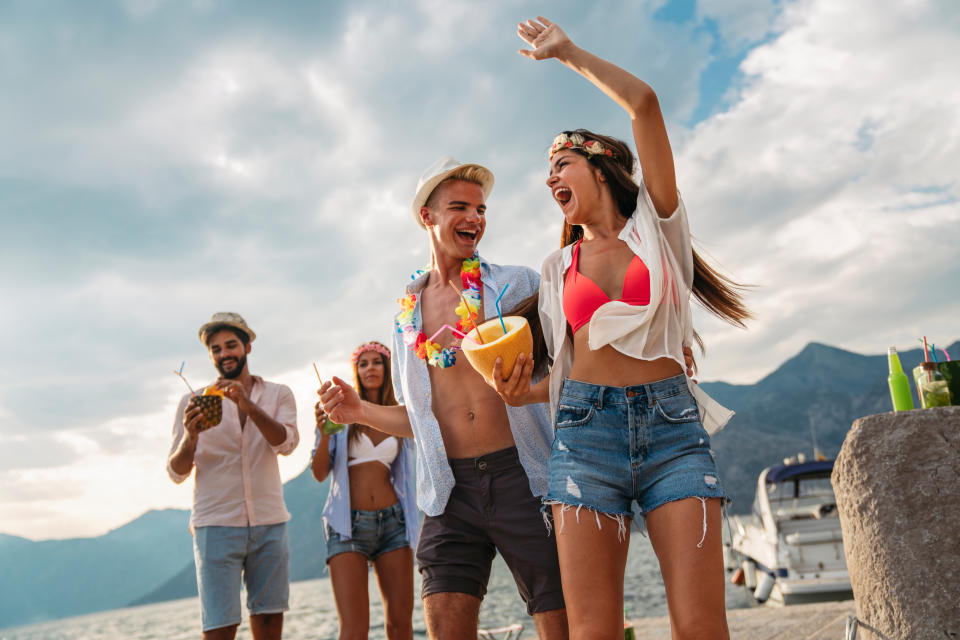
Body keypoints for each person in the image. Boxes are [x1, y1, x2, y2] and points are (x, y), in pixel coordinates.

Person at [490, 17, 752, 640]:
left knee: (701, 628)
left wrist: (567, 53)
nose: (551, 179)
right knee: (594, 632)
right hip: (584, 435)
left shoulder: (659, 232)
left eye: (561, 164)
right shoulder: (558, 268)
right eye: (547, 173)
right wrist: (520, 391)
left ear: (602, 165)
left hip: (672, 432)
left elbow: (645, 104)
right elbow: (568, 369)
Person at [319, 157, 569, 640]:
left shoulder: (519, 284)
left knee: (558, 623)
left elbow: (573, 364)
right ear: (427, 217)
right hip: (448, 489)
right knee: (445, 625)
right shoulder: (406, 318)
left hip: (522, 476)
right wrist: (358, 410)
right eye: (460, 207)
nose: (475, 218)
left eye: (480, 209)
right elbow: (421, 419)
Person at [168, 312, 299, 640]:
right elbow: (176, 471)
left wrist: (248, 405)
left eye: (231, 345)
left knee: (269, 622)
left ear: (248, 347)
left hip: (269, 522)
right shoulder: (193, 401)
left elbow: (286, 443)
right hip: (215, 526)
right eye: (215, 349)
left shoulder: (279, 394)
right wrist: (190, 435)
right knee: (219, 628)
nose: (224, 354)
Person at [311, 341, 417, 640]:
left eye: (377, 362)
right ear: (356, 372)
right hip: (348, 527)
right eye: (364, 363)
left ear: (387, 368)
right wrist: (322, 435)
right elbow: (319, 474)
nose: (371, 368)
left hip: (394, 523)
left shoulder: (398, 414)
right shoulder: (339, 415)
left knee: (401, 626)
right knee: (354, 630)